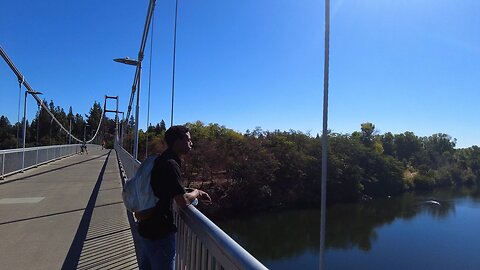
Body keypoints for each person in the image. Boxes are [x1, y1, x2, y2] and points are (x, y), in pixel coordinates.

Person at [137, 125, 211, 270]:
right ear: (177, 141)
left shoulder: (160, 160)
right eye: (188, 140)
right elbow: (182, 201)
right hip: (160, 234)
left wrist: (192, 191)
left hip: (146, 229)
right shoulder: (171, 164)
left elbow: (166, 188)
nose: (191, 143)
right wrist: (196, 192)